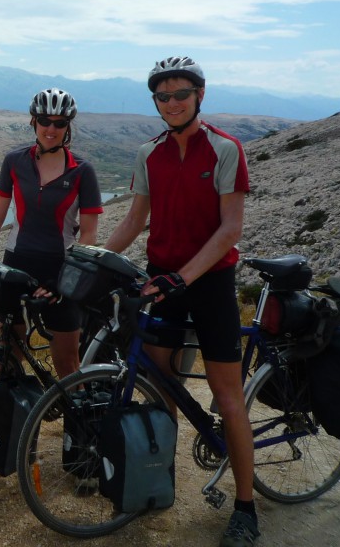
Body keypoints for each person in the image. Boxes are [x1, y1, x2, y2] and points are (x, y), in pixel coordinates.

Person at [104, 56, 258, 547]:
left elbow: (229, 229)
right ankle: (160, 477)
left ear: (200, 96)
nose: (171, 103)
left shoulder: (225, 149)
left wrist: (185, 276)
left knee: (228, 397)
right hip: (162, 278)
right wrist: (92, 258)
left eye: (180, 95)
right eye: (163, 96)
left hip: (210, 282)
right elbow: (134, 222)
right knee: (161, 384)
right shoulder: (149, 155)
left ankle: (246, 507)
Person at [0, 88, 103, 378]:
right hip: (16, 262)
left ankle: (75, 422)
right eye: (45, 120)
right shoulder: (15, 161)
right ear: (34, 121)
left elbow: (89, 235)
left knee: (67, 363)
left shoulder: (83, 171)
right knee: (8, 353)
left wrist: (64, 281)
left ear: (68, 126)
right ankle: (7, 419)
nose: (51, 129)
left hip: (60, 270)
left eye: (60, 123)